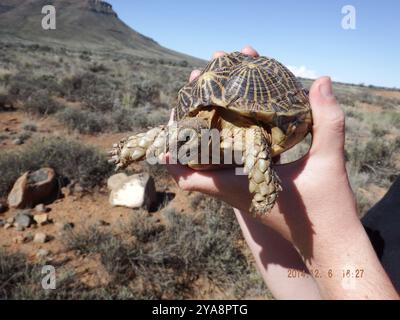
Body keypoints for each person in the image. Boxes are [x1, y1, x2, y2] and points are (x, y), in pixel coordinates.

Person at [162, 46, 399, 300]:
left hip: (263, 121)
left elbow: (252, 136)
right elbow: (305, 292)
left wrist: (333, 241)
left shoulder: (251, 133)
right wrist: (242, 193)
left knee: (251, 138)